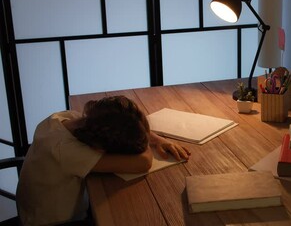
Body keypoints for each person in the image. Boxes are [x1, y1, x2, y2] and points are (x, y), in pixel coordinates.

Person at [16, 95, 190, 226]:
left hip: (33, 210)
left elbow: (120, 119)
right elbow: (143, 163)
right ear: (100, 147)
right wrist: (144, 141)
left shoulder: (64, 118)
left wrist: (157, 139)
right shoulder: (68, 151)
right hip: (55, 221)